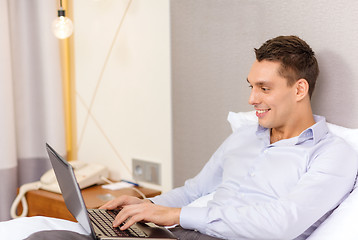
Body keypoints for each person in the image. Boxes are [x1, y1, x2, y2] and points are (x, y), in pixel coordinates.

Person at [2, 35, 357, 240]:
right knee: (45, 236)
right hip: (189, 234)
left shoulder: (333, 153)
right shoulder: (248, 135)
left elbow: (283, 223)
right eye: (251, 87)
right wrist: (142, 206)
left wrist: (175, 214)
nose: (251, 100)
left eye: (264, 88)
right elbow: (193, 191)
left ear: (300, 89)